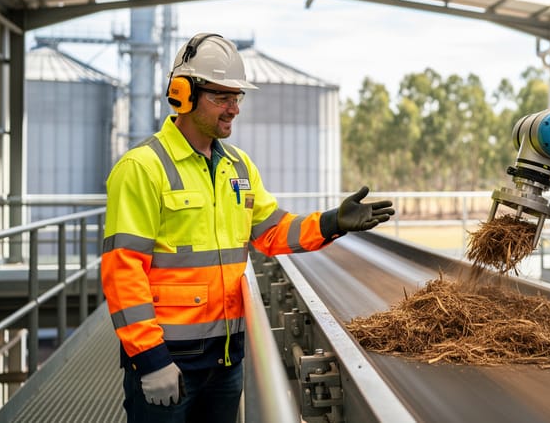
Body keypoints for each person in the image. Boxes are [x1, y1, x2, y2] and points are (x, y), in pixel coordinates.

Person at [101, 33, 394, 423]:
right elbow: (123, 273)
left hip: (226, 360)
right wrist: (151, 359)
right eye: (222, 97)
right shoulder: (142, 168)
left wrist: (331, 222)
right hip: (167, 361)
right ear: (182, 94)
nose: (234, 109)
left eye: (237, 97)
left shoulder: (238, 167)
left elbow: (272, 231)